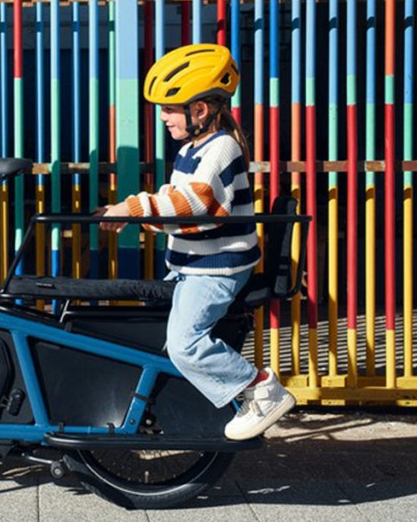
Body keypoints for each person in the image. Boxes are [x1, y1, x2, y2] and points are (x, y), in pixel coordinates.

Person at [99, 43, 296, 441]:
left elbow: (193, 204)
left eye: (170, 108)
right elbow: (178, 206)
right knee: (150, 331)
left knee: (185, 344)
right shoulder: (192, 147)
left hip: (216, 270)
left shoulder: (220, 147)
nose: (162, 117)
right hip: (191, 267)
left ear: (200, 110)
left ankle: (260, 387)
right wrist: (136, 213)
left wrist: (132, 210)